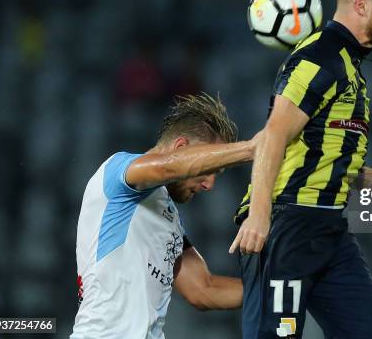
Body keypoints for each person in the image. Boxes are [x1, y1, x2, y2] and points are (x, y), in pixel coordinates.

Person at [229, 0, 372, 339]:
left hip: (329, 229)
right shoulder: (322, 55)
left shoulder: (349, 67)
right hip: (287, 225)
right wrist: (260, 216)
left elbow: (327, 158)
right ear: (361, 4)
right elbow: (273, 136)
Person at [71, 93, 258, 339]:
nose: (210, 184)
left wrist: (274, 289)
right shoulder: (117, 171)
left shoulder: (171, 220)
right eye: (208, 169)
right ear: (181, 148)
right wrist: (254, 149)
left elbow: (204, 289)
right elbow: (167, 166)